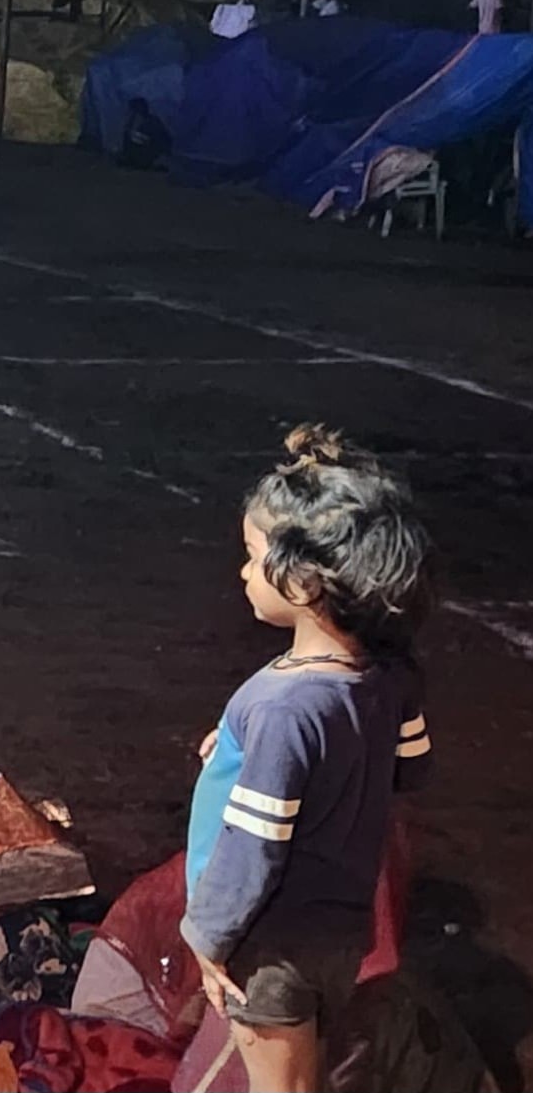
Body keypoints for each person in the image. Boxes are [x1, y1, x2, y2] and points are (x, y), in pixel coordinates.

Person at [182, 426, 434, 1093]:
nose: (242, 572)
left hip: (269, 939)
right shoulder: (385, 678)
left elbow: (254, 845)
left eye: (252, 555)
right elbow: (409, 767)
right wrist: (240, 750)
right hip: (339, 930)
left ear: (303, 581)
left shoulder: (283, 706)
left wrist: (207, 934)